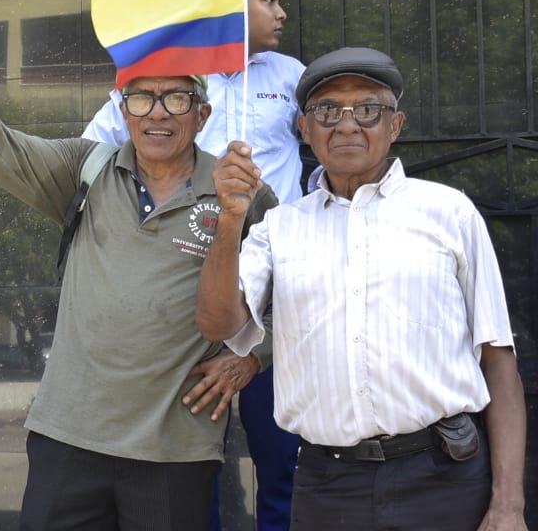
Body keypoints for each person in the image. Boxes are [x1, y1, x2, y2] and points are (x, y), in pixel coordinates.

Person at [0, 0, 277, 530]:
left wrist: (254, 357)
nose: (157, 113)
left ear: (201, 115)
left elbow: (300, 298)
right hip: (69, 439)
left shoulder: (241, 193)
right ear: (122, 108)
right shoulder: (86, 169)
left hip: (174, 450)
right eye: (140, 98)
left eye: (175, 99)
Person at [197, 47, 527, 531]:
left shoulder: (450, 213)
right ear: (305, 130)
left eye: (368, 109)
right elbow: (218, 322)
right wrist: (230, 219)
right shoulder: (279, 228)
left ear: (395, 125)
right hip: (327, 485)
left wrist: (508, 506)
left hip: (445, 478)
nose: (347, 125)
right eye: (328, 111)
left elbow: (498, 362)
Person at [83, 0, 302, 530]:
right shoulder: (169, 80)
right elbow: (93, 154)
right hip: (184, 276)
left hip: (276, 281)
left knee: (282, 461)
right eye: (270, 0)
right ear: (233, 5)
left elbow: (330, 144)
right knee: (189, 467)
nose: (281, 12)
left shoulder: (288, 75)